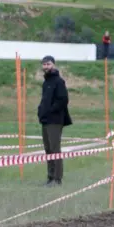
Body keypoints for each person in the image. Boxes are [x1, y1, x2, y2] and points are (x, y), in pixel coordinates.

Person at [37, 56, 72, 186]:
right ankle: (50, 177)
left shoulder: (59, 81)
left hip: (55, 120)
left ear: (54, 65)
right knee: (48, 150)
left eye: (48, 64)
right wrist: (41, 111)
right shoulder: (46, 83)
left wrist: (51, 110)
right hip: (45, 120)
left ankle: (57, 178)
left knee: (55, 149)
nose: (46, 66)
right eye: (44, 64)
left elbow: (63, 100)